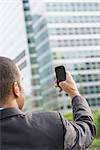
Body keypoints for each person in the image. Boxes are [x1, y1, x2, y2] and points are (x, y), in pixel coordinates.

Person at [0, 56, 96, 150]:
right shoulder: (51, 124)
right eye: (22, 81)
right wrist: (74, 92)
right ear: (16, 88)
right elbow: (86, 131)